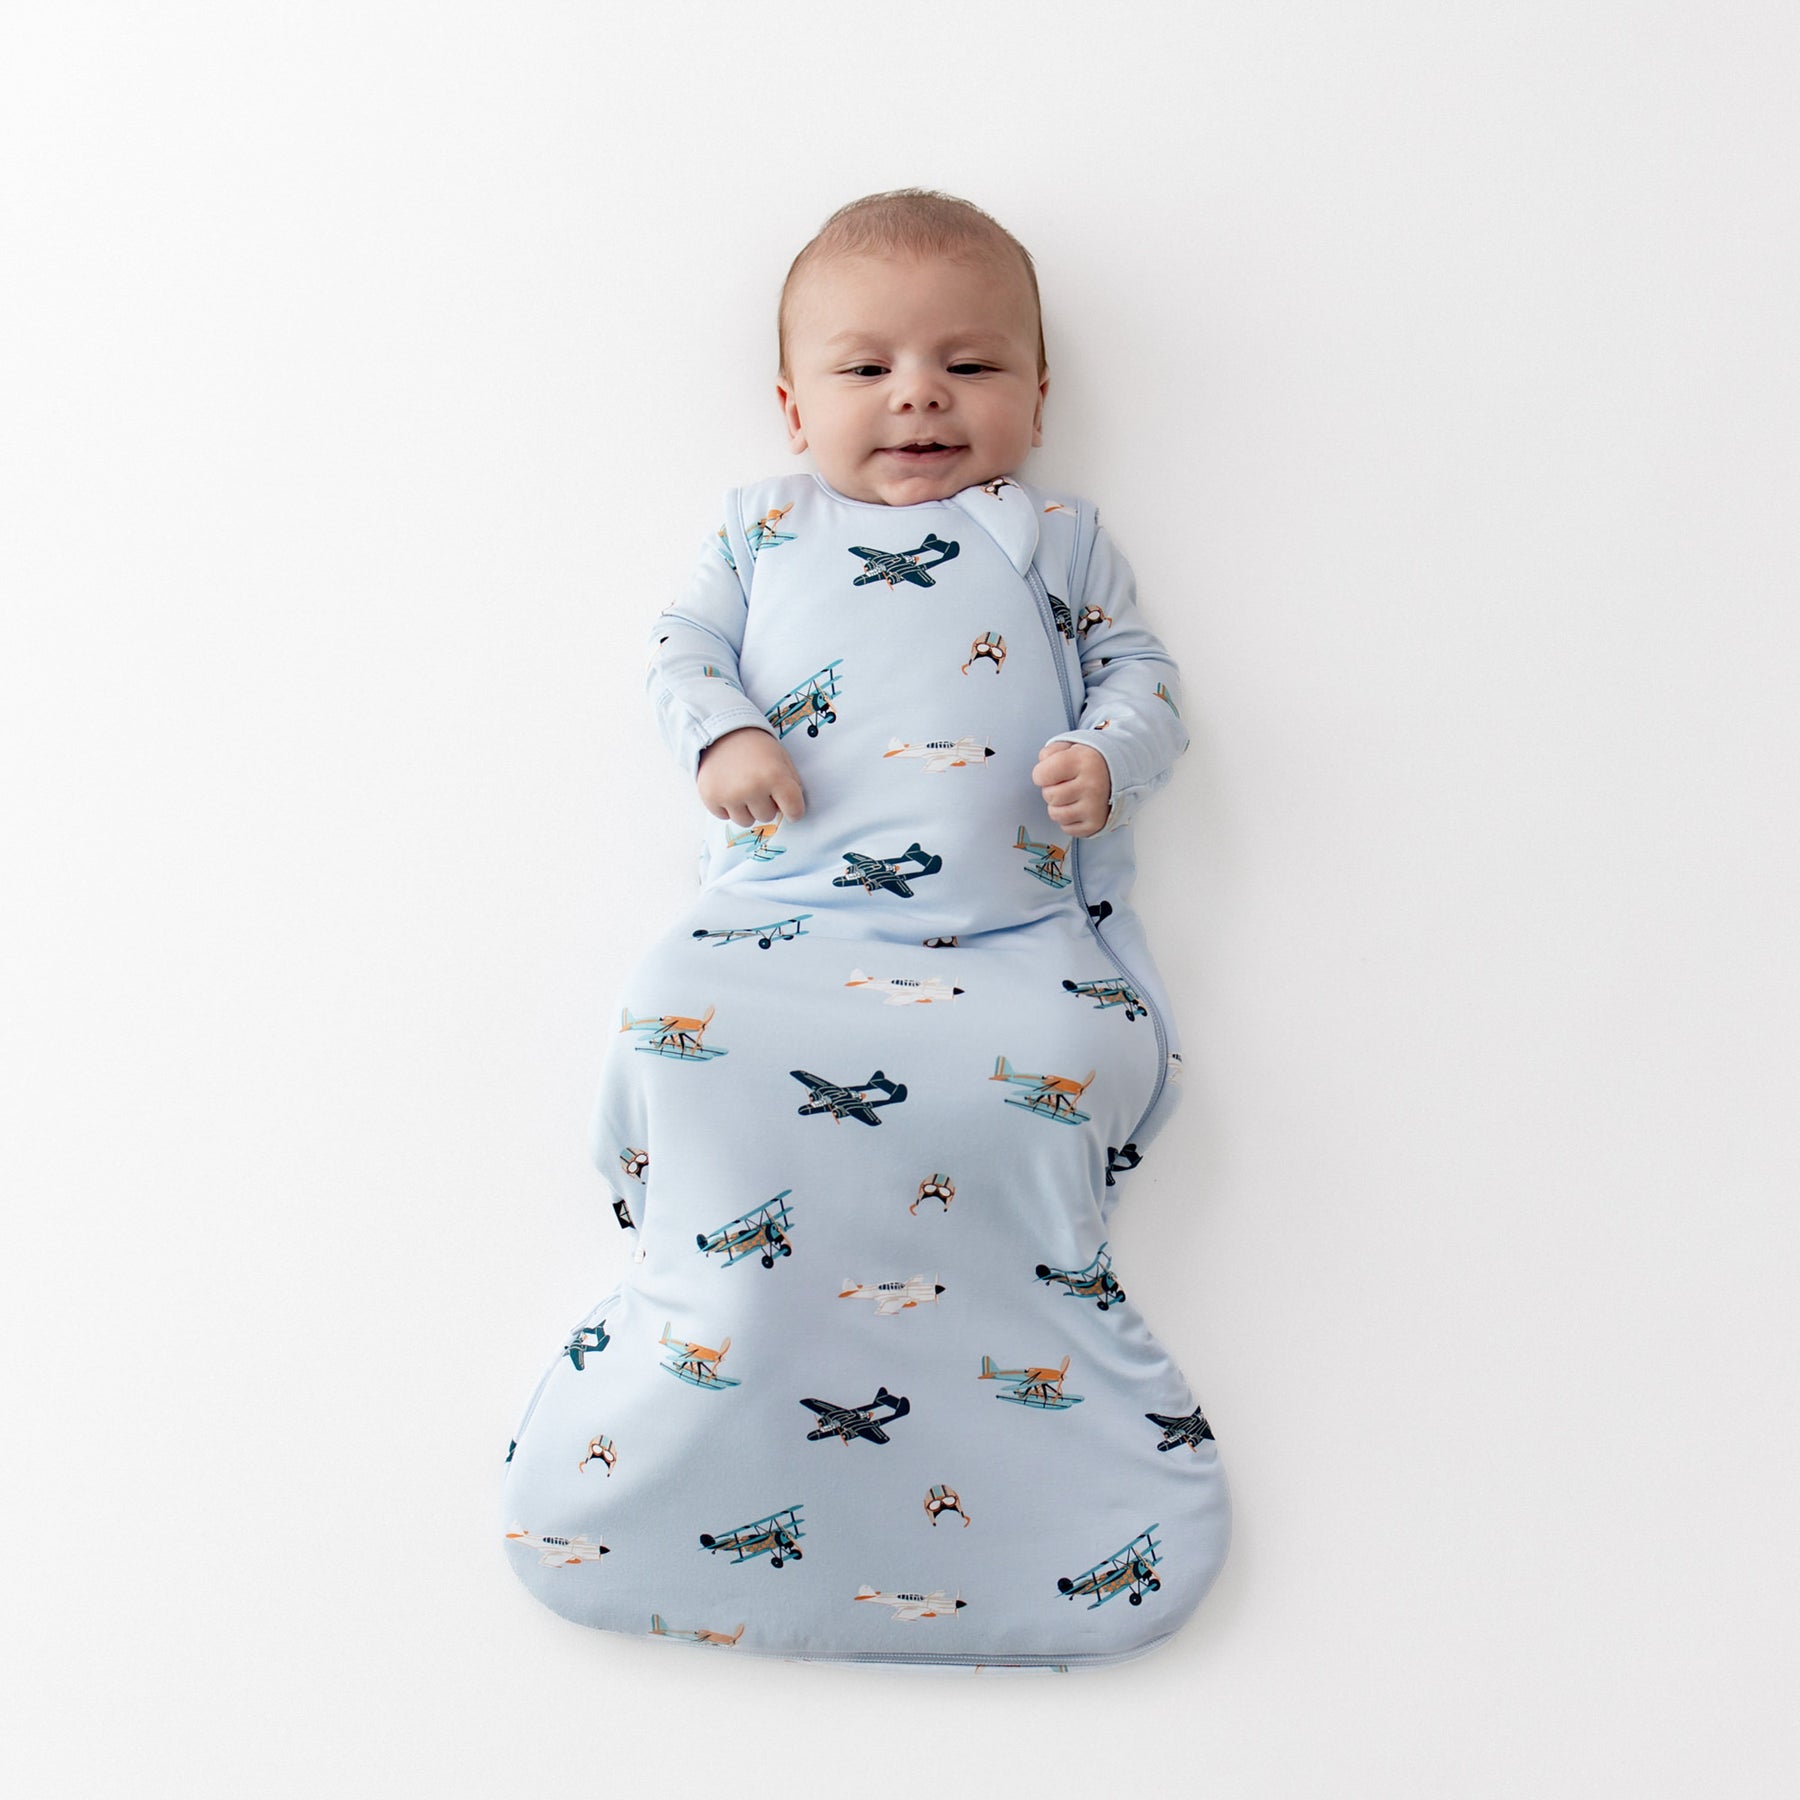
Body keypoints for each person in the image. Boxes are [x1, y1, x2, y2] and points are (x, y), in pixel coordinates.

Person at [500, 189, 1230, 1675]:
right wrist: (723, 743)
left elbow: (1148, 677)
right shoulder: (762, 527)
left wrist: (1111, 754)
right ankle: (704, 1297)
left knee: (1043, 1056)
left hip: (1004, 931)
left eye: (970, 366)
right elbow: (680, 650)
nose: (918, 395)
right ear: (790, 405)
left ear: (1038, 394)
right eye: (866, 368)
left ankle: (1028, 1363)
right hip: (783, 919)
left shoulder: (1059, 540)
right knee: (674, 1021)